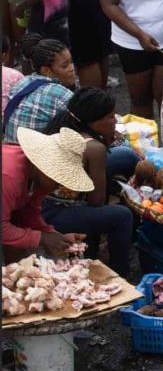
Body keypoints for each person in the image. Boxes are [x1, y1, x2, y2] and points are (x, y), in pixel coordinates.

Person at [41, 88, 137, 276]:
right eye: (110, 117)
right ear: (93, 121)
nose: (115, 121)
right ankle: (121, 272)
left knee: (126, 155)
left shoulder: (65, 126)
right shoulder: (94, 148)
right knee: (122, 216)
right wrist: (103, 156)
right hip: (55, 211)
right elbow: (96, 201)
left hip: (45, 200)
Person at [2, 127, 90, 262]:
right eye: (58, 179)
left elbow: (29, 212)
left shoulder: (36, 177)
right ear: (44, 167)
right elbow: (2, 229)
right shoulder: (9, 176)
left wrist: (54, 236)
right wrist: (41, 238)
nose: (59, 185)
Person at [3, 38, 75, 143]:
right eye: (65, 66)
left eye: (71, 62)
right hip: (35, 155)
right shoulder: (62, 95)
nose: (72, 68)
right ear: (46, 71)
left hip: (9, 151)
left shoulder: (23, 82)